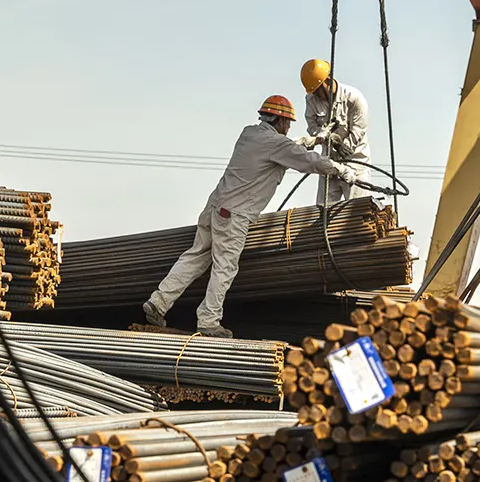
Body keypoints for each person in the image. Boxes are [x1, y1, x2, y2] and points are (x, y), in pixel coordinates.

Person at [143, 95, 356, 337]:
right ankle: (208, 321)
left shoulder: (249, 134)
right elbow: (306, 161)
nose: (288, 128)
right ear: (280, 121)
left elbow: (287, 147)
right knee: (225, 267)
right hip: (234, 215)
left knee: (195, 257)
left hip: (214, 207)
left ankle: (158, 303)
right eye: (287, 123)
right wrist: (341, 170)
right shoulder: (277, 145)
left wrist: (315, 139)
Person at [297, 58, 369, 205]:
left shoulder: (354, 98)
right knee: (324, 210)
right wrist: (323, 136)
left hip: (355, 162)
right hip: (329, 162)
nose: (316, 95)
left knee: (357, 210)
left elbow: (358, 129)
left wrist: (342, 145)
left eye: (317, 91)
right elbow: (312, 126)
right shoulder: (311, 100)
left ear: (328, 81)